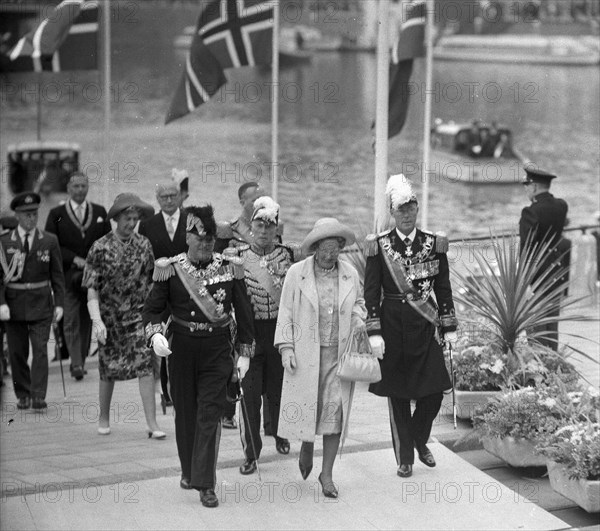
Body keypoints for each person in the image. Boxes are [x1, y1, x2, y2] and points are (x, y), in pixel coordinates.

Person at [143, 205, 255, 508]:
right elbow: (153, 309)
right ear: (187, 238)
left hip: (217, 348)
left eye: (210, 241)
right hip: (181, 348)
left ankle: (205, 483)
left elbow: (243, 312)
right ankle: (189, 470)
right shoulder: (170, 268)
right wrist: (155, 337)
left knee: (210, 412)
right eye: (199, 239)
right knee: (186, 414)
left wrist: (244, 352)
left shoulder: (229, 267)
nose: (205, 245)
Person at [364, 175, 458, 479]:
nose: (406, 213)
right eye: (401, 209)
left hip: (424, 325)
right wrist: (374, 331)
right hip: (391, 325)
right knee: (399, 394)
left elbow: (443, 286)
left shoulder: (433, 243)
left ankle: (418, 438)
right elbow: (370, 292)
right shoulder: (378, 246)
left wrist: (449, 323)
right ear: (392, 212)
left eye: (411, 207)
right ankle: (405, 457)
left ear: (417, 209)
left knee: (435, 391)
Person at [275, 217, 367, 499]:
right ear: (315, 247)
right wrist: (286, 348)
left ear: (341, 247)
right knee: (307, 408)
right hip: (305, 352)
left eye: (334, 248)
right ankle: (305, 444)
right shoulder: (296, 273)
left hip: (339, 356)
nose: (329, 254)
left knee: (334, 413)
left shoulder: (350, 273)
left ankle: (326, 474)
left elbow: (360, 304)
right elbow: (287, 311)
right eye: (324, 248)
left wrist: (358, 319)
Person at [83, 193, 165, 438]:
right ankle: (104, 417)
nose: (132, 223)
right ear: (116, 218)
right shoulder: (100, 247)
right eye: (127, 218)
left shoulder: (144, 245)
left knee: (145, 366)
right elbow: (91, 288)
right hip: (109, 319)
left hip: (138, 317)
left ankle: (152, 424)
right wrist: (96, 320)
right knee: (108, 369)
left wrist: (155, 316)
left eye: (135, 218)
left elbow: (151, 282)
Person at [236, 196, 299, 476]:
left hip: (279, 332)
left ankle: (279, 432)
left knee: (278, 391)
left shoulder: (288, 255)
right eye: (258, 225)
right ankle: (251, 452)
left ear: (276, 229)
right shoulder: (237, 257)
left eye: (269, 225)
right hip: (250, 333)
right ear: (251, 227)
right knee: (249, 395)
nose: (263, 231)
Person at [0, 192, 65, 410]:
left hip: (41, 304)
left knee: (40, 351)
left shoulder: (49, 240)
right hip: (14, 305)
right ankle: (23, 394)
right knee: (17, 353)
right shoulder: (4, 242)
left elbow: (57, 276)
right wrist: (1, 303)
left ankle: (38, 395)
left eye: (34, 213)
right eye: (26, 214)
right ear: (17, 216)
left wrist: (60, 304)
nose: (31, 218)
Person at [44, 172, 111, 381]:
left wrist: (94, 262)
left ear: (88, 187)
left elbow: (107, 242)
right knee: (71, 318)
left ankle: (80, 360)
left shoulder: (99, 212)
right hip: (67, 275)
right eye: (76, 186)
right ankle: (75, 362)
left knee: (87, 317)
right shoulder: (56, 213)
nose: (80, 190)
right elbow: (51, 245)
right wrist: (74, 259)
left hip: (93, 275)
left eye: (83, 186)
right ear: (68, 189)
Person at [138, 178, 188, 412]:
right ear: (157, 199)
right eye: (163, 197)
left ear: (180, 196)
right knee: (163, 337)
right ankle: (167, 393)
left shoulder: (191, 219)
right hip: (161, 289)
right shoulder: (148, 224)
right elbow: (146, 261)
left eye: (172, 195)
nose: (169, 200)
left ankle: (182, 388)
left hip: (188, 289)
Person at [519, 167, 569, 350]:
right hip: (556, 272)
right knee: (552, 328)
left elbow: (526, 249)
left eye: (527, 185)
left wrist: (523, 283)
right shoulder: (561, 206)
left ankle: (540, 373)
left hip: (536, 277)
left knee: (536, 330)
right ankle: (553, 370)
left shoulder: (530, 212)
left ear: (534, 186)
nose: (525, 189)